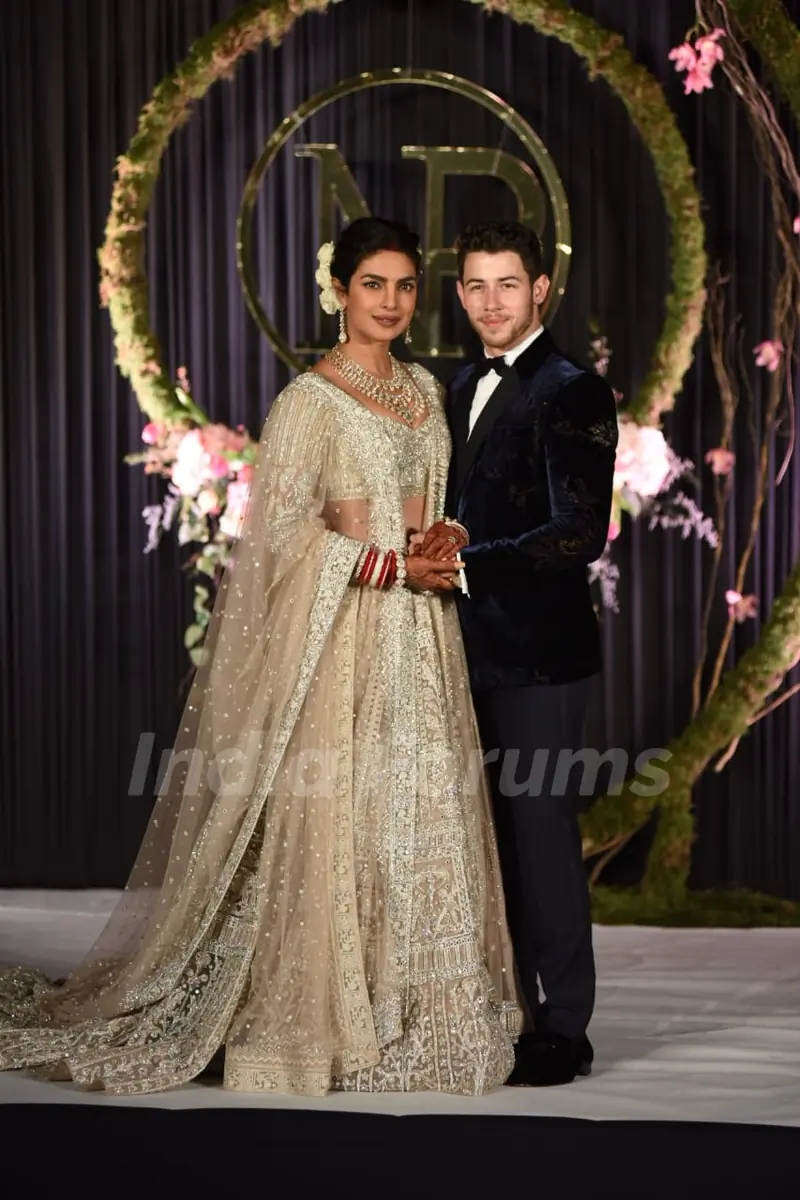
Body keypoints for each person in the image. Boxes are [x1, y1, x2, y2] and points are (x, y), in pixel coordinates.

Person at [0, 218, 521, 1096]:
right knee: (344, 808)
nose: (390, 303)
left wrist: (441, 540)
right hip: (347, 633)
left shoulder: (427, 391)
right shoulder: (309, 402)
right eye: (372, 285)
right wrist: (386, 560)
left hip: (423, 634)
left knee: (421, 809)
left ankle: (428, 1009)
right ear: (340, 290)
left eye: (403, 286)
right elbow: (281, 536)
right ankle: (330, 1014)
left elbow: (444, 497)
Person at [416, 220, 618, 1086]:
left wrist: (462, 566)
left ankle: (563, 1029)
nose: (491, 300)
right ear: (459, 295)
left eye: (509, 283)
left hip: (538, 660)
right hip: (460, 652)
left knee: (539, 840)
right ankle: (509, 1008)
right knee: (483, 844)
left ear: (541, 289)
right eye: (475, 285)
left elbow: (580, 533)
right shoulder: (458, 383)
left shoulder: (573, 389)